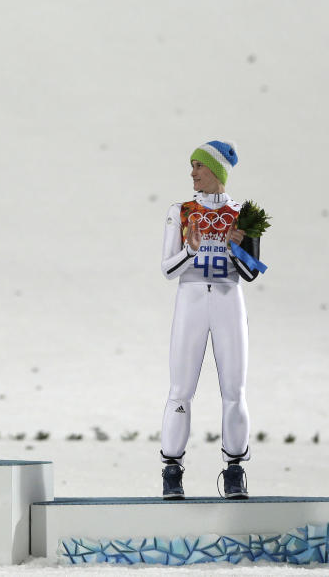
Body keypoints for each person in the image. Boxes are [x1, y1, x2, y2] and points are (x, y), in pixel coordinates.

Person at [159, 141, 260, 499]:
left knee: (234, 389)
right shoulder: (181, 210)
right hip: (190, 300)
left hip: (229, 300)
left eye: (198, 166)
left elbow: (250, 273)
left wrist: (236, 246)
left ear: (216, 171)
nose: (192, 173)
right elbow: (167, 269)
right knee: (180, 388)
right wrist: (190, 250)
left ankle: (234, 470)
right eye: (191, 166)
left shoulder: (245, 213)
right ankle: (172, 469)